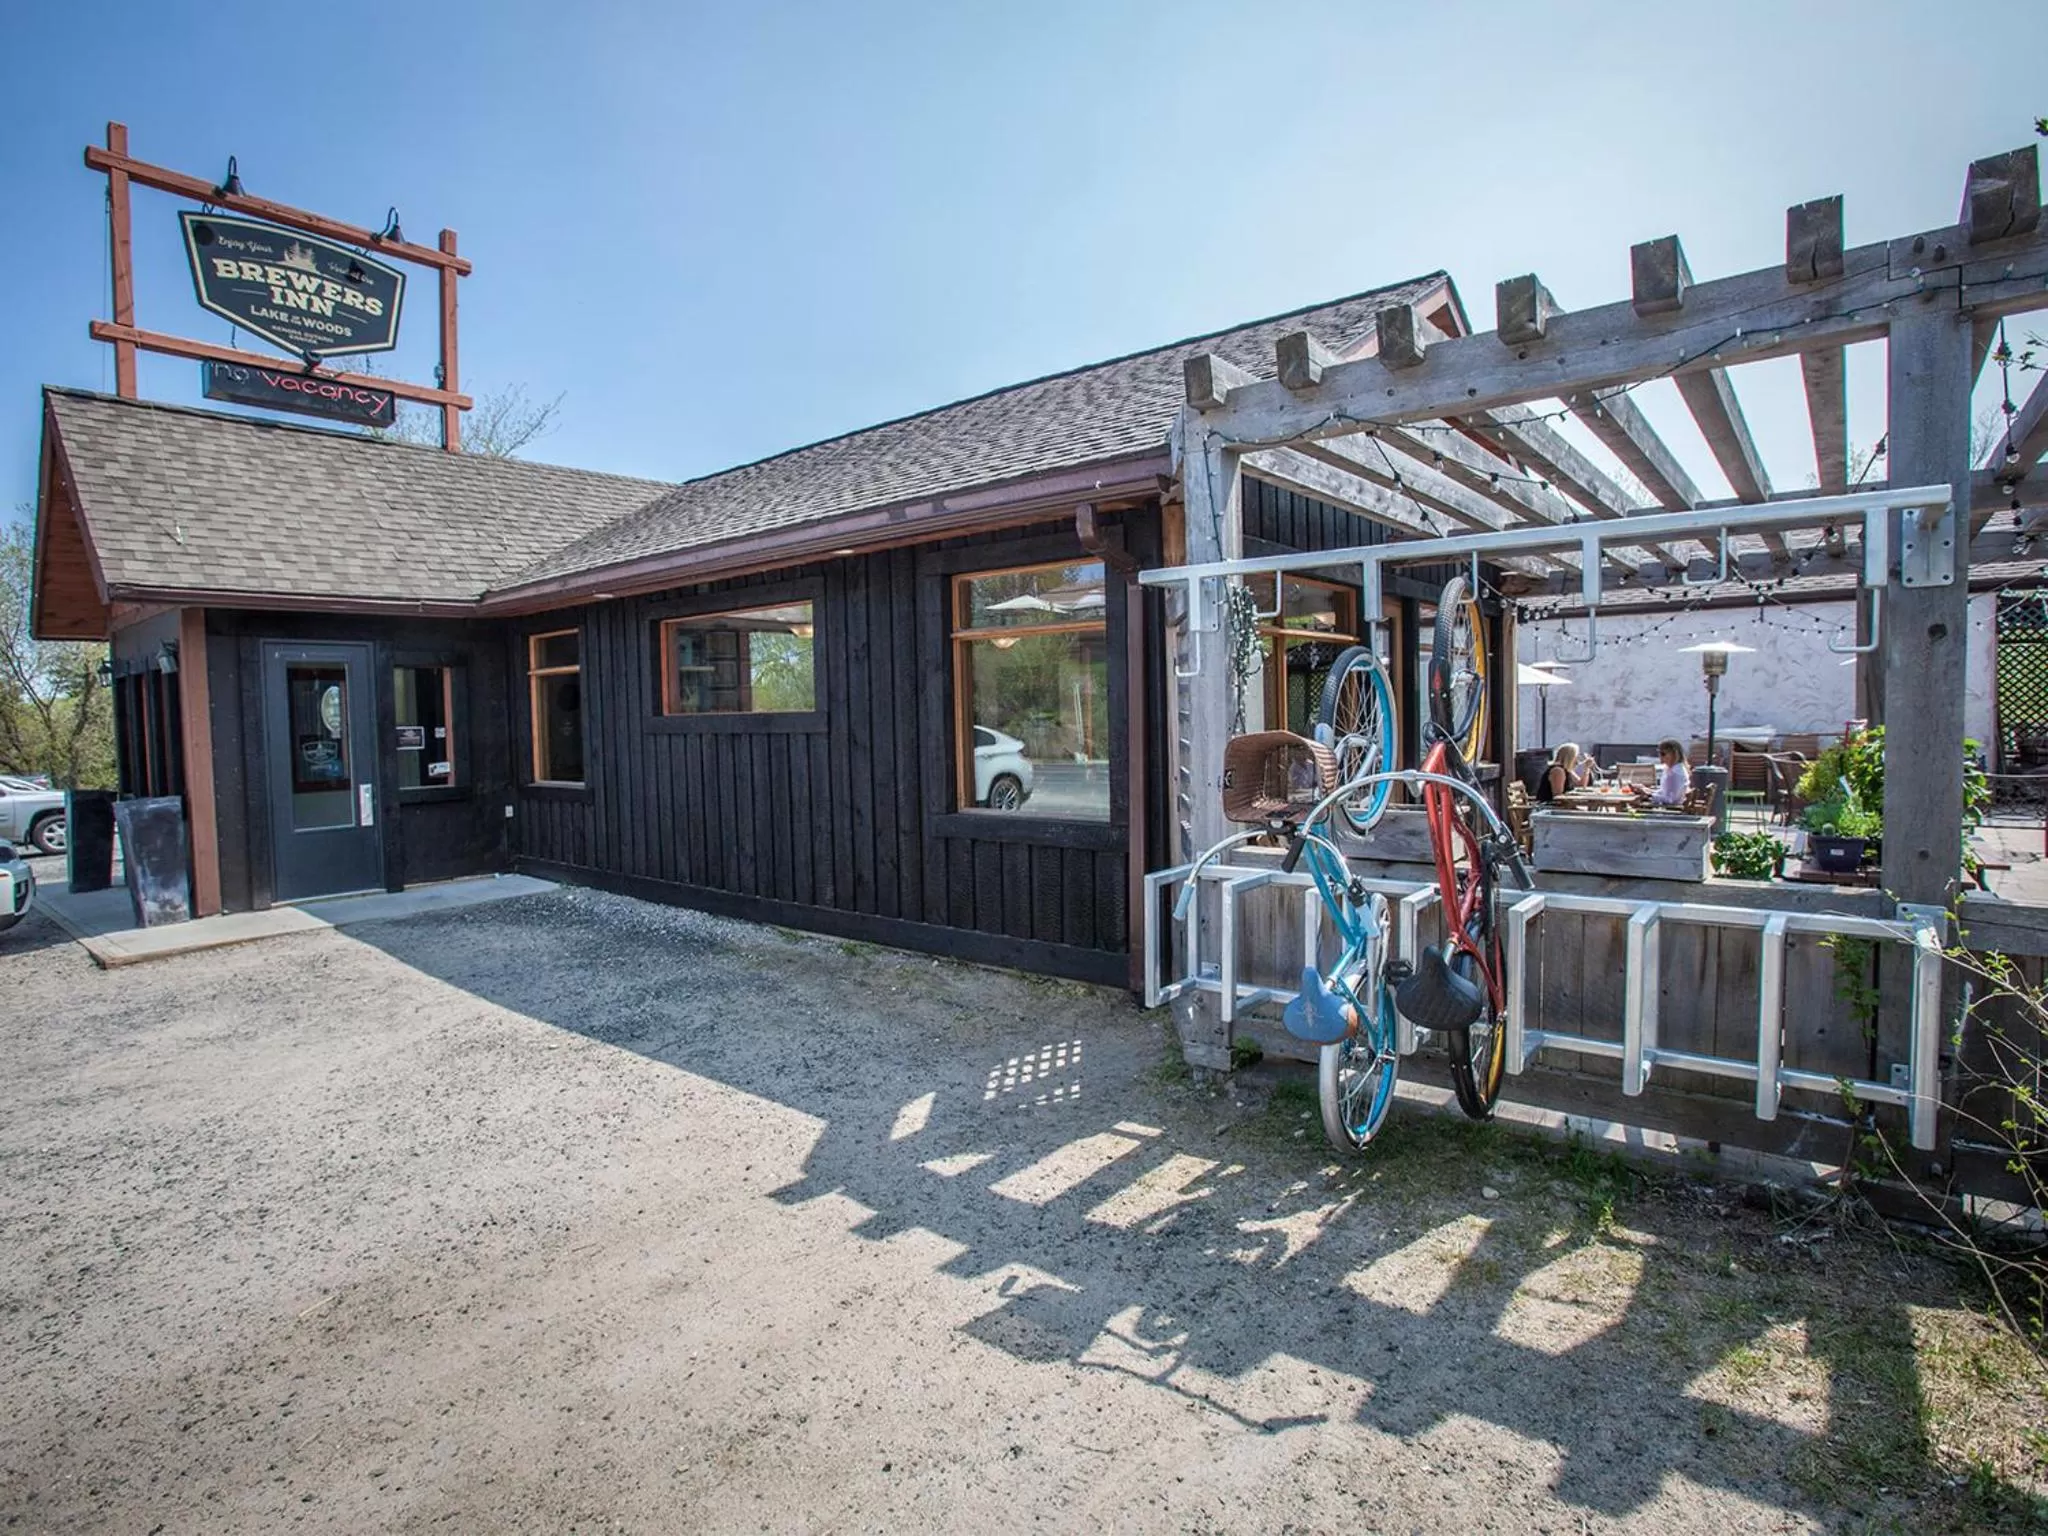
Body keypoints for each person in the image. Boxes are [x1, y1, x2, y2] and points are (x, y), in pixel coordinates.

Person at [1635, 737, 1691, 807]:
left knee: (1633, 805)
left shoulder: (1674, 773)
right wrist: (1648, 791)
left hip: (1670, 810)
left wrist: (1649, 795)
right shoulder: (1674, 769)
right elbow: (1665, 792)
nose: (1660, 757)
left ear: (1674, 754)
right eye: (1659, 753)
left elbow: (1670, 800)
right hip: (1670, 806)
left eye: (1663, 754)